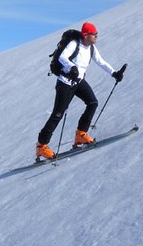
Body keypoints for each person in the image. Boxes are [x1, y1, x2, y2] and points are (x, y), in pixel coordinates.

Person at [36, 22, 125, 160]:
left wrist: (114, 73)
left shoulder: (91, 48)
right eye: (93, 34)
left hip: (78, 82)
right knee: (58, 114)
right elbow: (62, 57)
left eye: (96, 34)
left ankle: (80, 135)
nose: (96, 36)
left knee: (92, 102)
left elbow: (101, 61)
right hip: (65, 83)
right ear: (85, 35)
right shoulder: (74, 44)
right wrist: (72, 67)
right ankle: (41, 146)